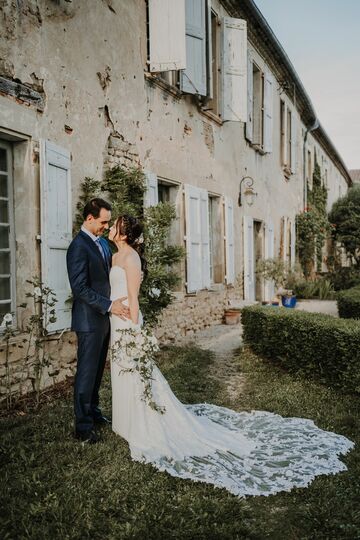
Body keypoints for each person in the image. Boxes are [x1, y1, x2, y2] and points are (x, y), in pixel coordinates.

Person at [108, 214, 354, 497]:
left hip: (128, 323)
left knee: (137, 372)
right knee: (121, 370)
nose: (112, 227)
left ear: (124, 233)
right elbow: (115, 292)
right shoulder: (115, 257)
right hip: (116, 319)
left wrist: (137, 332)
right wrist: (112, 307)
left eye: (115, 225)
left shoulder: (131, 258)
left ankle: (141, 425)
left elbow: (134, 297)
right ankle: (125, 423)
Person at [66, 198, 130, 444]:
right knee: (86, 373)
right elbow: (79, 288)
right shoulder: (78, 246)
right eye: (103, 221)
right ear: (89, 218)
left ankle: (93, 412)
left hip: (104, 320)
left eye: (108, 222)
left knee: (96, 372)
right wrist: (109, 305)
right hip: (89, 321)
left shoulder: (103, 243)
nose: (106, 226)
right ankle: (82, 427)